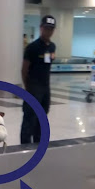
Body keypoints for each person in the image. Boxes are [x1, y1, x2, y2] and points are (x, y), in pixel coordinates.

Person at [21, 15, 56, 144]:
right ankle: (24, 146)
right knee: (29, 118)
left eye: (51, 29)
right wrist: (28, 88)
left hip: (45, 87)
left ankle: (38, 143)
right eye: (46, 28)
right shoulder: (32, 47)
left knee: (42, 117)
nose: (49, 31)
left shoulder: (52, 46)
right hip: (33, 88)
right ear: (41, 28)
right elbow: (24, 70)